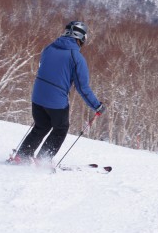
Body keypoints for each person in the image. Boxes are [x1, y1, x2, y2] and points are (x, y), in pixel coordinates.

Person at [9, 21, 106, 165]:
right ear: (81, 38)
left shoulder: (49, 48)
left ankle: (22, 156)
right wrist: (97, 106)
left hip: (37, 96)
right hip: (56, 101)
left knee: (41, 126)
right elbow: (82, 87)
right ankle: (43, 159)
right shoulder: (76, 57)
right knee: (60, 128)